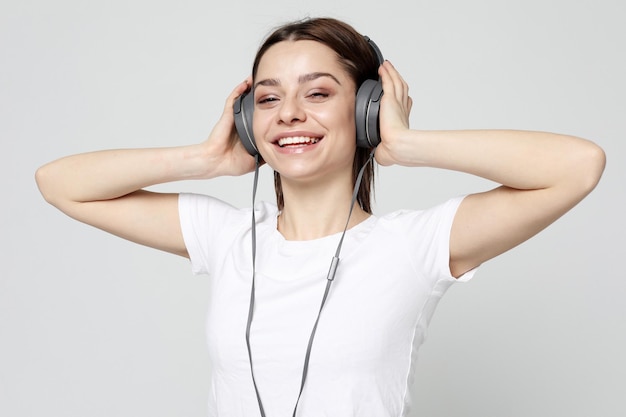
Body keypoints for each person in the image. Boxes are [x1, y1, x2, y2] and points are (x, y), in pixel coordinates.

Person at [35, 16, 605, 417]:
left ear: (364, 110)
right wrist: (205, 159)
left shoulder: (415, 245)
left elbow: (578, 166)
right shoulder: (228, 238)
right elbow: (59, 184)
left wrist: (404, 144)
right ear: (246, 121)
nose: (288, 113)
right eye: (266, 98)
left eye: (318, 93)